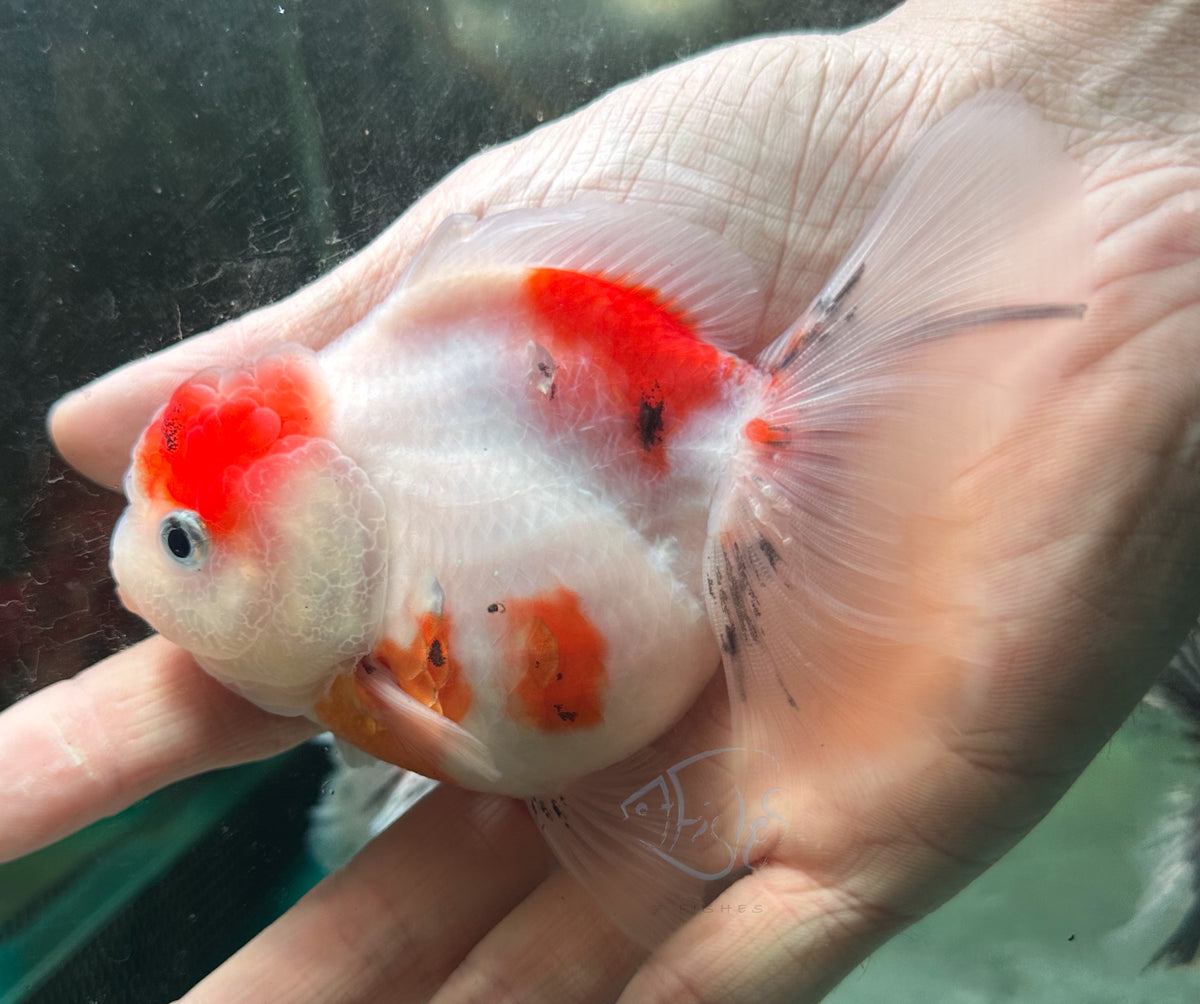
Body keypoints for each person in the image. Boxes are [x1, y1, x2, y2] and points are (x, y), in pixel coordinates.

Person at [2, 0, 1198, 1000]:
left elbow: (522, 766)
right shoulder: (358, 562)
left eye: (186, 541)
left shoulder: (411, 496)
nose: (142, 560)